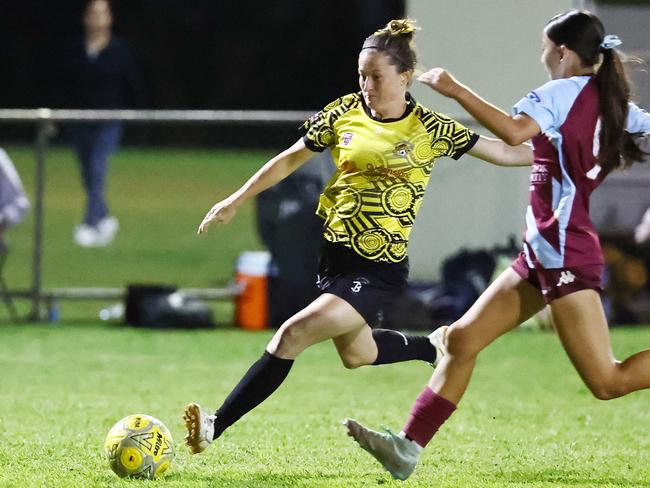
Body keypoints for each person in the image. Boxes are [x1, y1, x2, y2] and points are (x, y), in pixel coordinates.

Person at [183, 19, 532, 455]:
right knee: (358, 354)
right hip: (335, 259)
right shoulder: (344, 111)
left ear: (404, 78)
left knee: (291, 335)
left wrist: (566, 153)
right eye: (361, 75)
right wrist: (236, 197)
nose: (366, 84)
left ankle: (214, 425)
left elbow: (505, 151)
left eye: (376, 76)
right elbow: (289, 159)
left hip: (379, 265)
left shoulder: (429, 127)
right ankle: (434, 345)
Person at [344, 10, 650, 481]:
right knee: (462, 341)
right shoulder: (611, 102)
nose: (543, 55)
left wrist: (454, 89)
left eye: (546, 48)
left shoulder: (559, 93)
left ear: (562, 52)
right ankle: (407, 448)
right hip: (542, 253)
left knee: (608, 382)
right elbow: (523, 149)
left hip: (565, 253)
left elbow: (513, 132)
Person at [59, 0, 144, 247]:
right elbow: (65, 86)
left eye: (102, 13)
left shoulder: (119, 50)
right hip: (79, 121)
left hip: (108, 121)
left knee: (97, 171)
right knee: (87, 176)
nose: (97, 18)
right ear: (85, 18)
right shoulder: (76, 49)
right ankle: (105, 218)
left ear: (110, 18)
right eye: (93, 14)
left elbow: (133, 84)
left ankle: (89, 224)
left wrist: (137, 117)